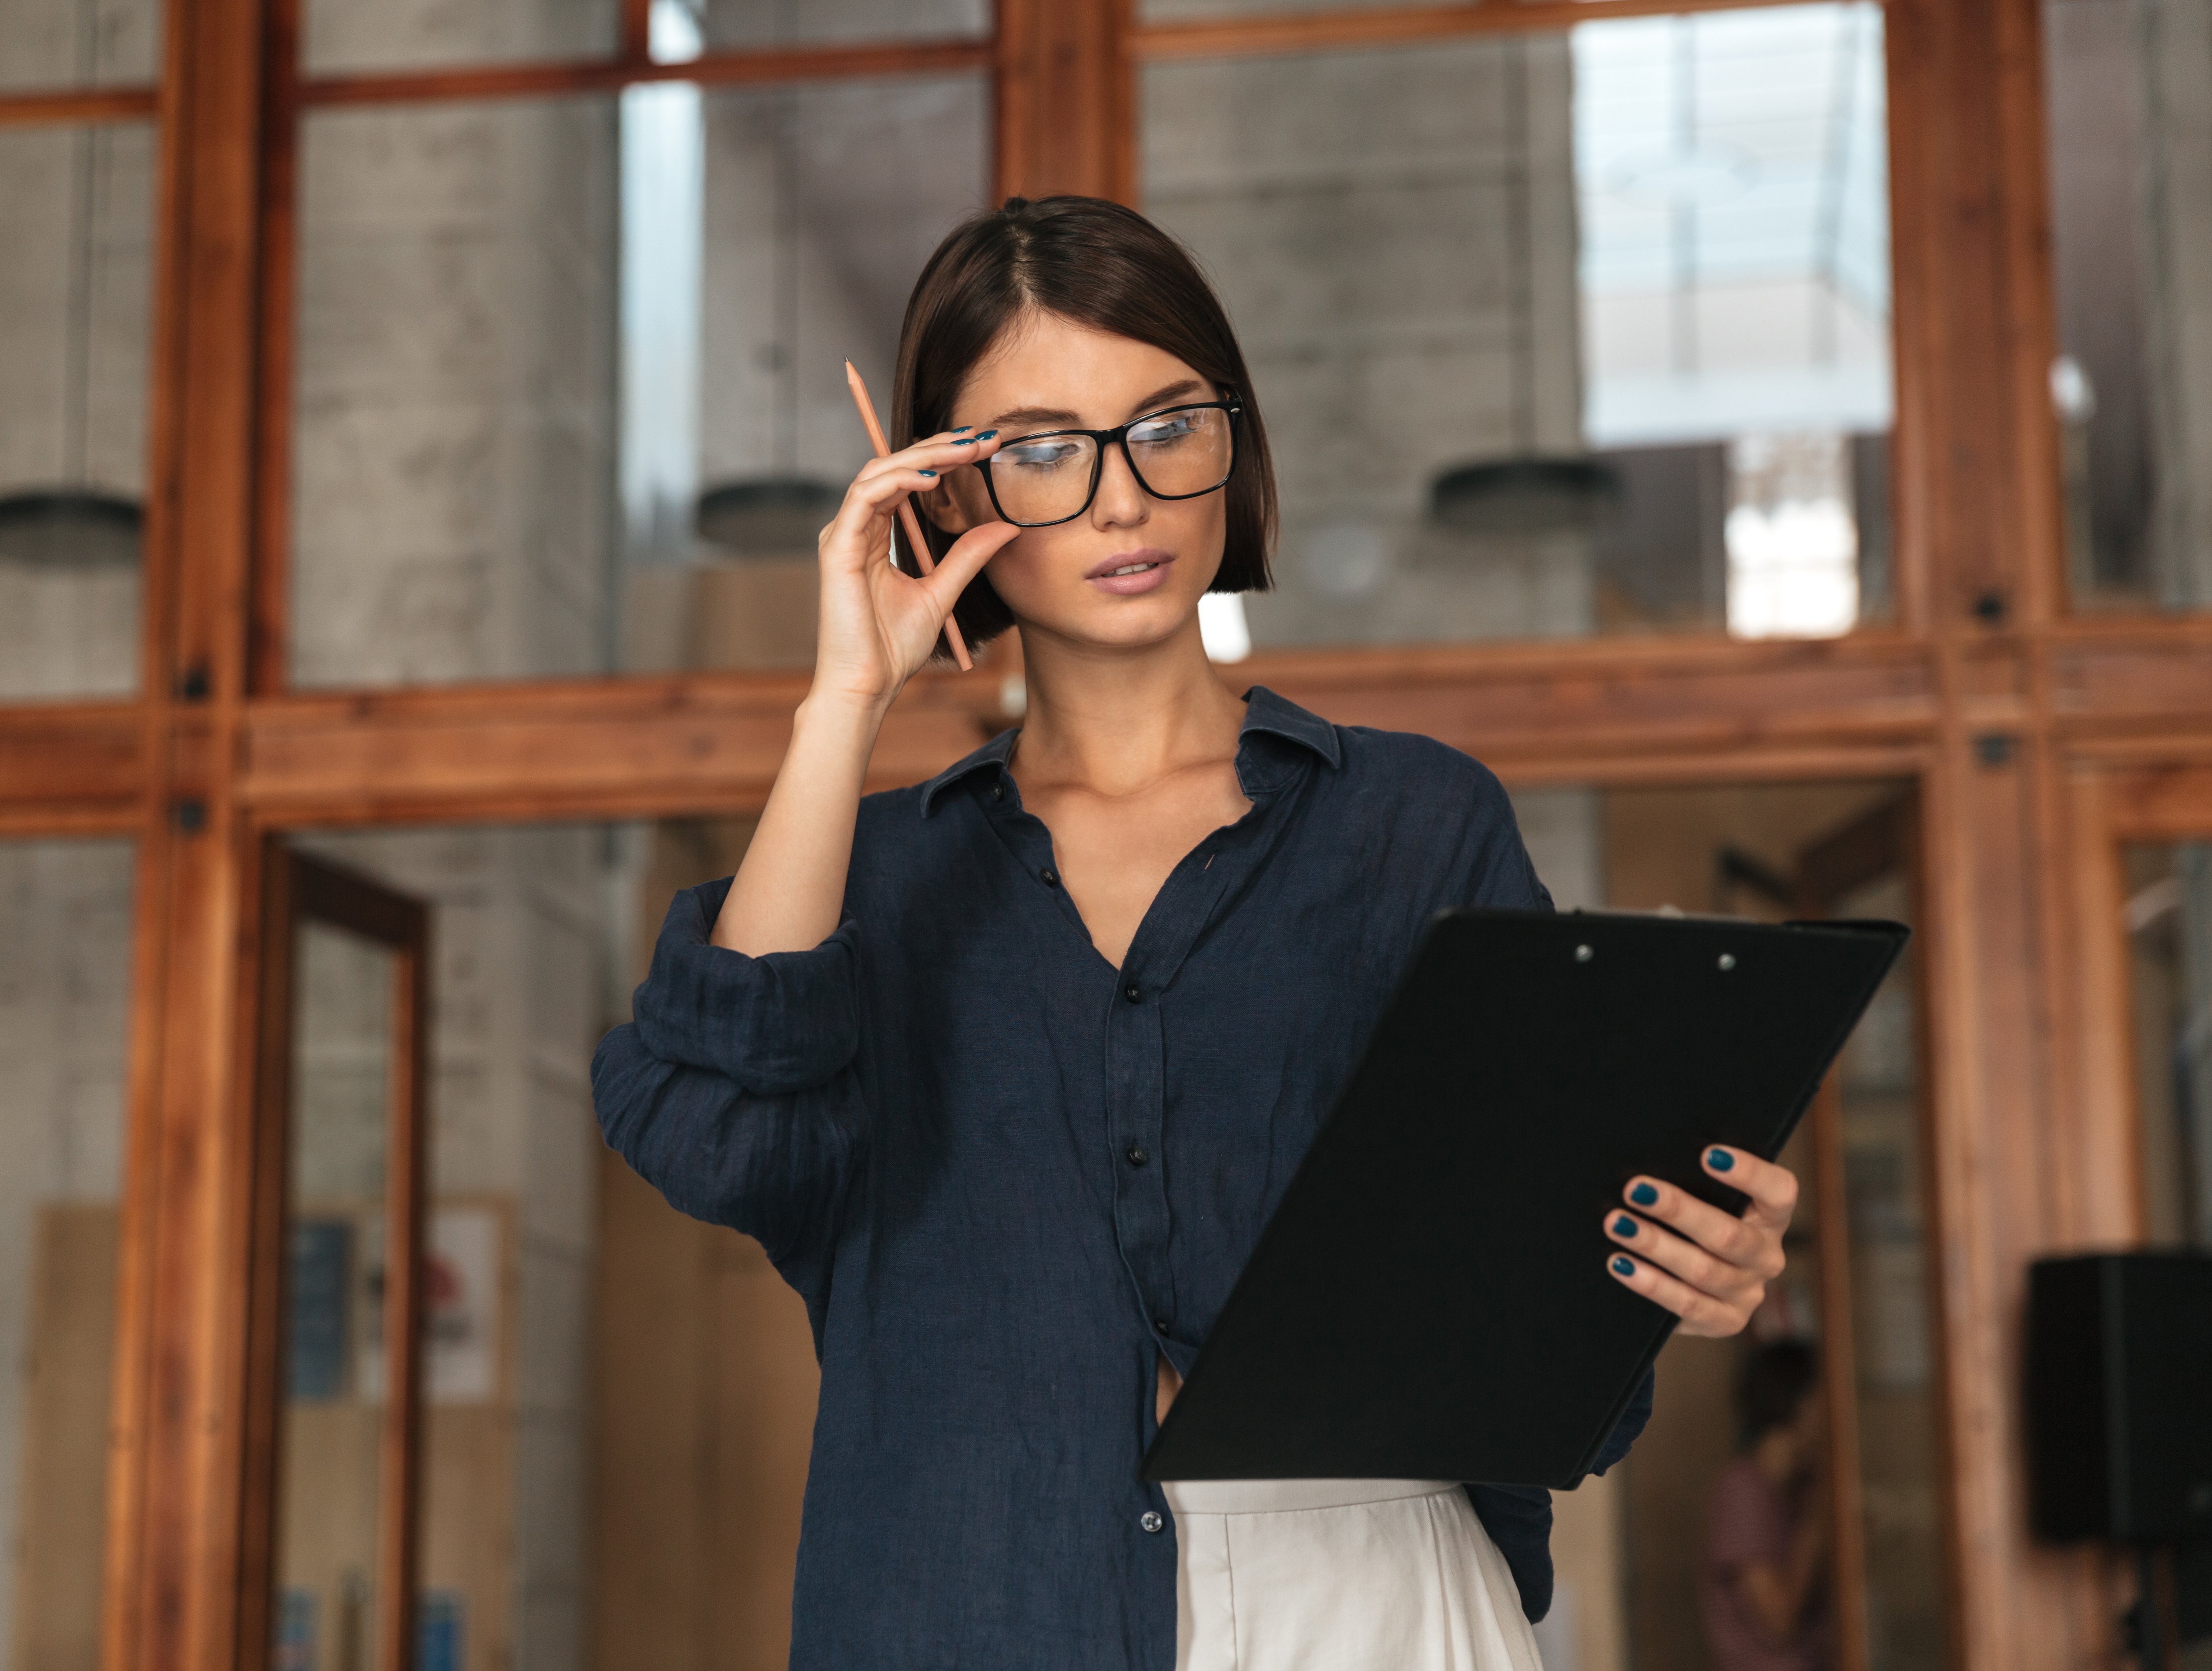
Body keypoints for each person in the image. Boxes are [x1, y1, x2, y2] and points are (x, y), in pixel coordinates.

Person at [590, 195, 1799, 1671]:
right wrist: (846, 699)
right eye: (1038, 451)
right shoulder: (877, 881)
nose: (1121, 498)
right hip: (974, 1603)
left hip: (1367, 1592)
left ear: (1235, 443)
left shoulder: (1409, 824)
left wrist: (1676, 1272)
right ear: (941, 495)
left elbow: (1524, 1263)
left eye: (1170, 424)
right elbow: (719, 1129)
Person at [1703, 1341, 1832, 1671]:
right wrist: (1819, 1516)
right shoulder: (1743, 1493)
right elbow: (1779, 1620)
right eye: (1824, 1400)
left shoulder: (1796, 1488)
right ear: (1799, 1403)